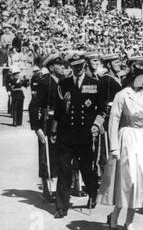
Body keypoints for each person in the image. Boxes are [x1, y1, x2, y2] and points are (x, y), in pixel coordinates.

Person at [98, 56, 143, 230]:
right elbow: (113, 122)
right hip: (126, 139)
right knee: (125, 182)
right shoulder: (122, 95)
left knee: (140, 182)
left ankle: (129, 223)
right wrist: (114, 147)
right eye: (141, 75)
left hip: (142, 141)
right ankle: (113, 220)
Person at [51, 51, 106, 218]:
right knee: (64, 170)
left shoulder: (94, 84)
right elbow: (58, 111)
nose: (78, 69)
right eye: (75, 67)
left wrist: (97, 124)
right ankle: (61, 206)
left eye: (81, 66)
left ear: (85, 65)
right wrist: (53, 130)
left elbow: (102, 110)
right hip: (66, 135)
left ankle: (92, 193)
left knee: (86, 169)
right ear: (71, 67)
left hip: (85, 135)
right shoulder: (63, 84)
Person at [29, 53, 65, 202]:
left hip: (61, 123)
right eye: (59, 64)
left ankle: (58, 189)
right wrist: (37, 128)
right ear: (51, 67)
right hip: (47, 122)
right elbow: (33, 106)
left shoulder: (64, 82)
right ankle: (47, 190)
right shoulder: (45, 83)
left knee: (59, 155)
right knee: (47, 156)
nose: (63, 67)